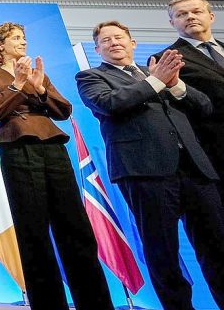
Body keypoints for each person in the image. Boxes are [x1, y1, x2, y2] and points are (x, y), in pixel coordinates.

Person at [77, 20, 224, 310]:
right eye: (106, 40)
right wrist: (156, 82)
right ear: (97, 50)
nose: (114, 43)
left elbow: (204, 106)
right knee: (162, 252)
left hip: (195, 169)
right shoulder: (91, 77)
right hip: (144, 172)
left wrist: (175, 84)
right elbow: (111, 104)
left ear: (132, 43)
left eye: (119, 37)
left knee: (218, 246)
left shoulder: (160, 72)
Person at [0, 22, 113, 310]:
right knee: (33, 231)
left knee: (75, 227)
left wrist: (40, 89)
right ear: (0, 45)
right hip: (18, 149)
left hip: (53, 147)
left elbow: (63, 110)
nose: (23, 42)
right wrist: (17, 84)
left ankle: (96, 303)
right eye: (16, 38)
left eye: (24, 37)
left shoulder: (38, 73)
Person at [159, 0, 224, 201]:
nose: (190, 17)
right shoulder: (167, 59)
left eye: (197, 11)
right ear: (172, 23)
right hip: (214, 150)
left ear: (211, 16)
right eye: (182, 14)